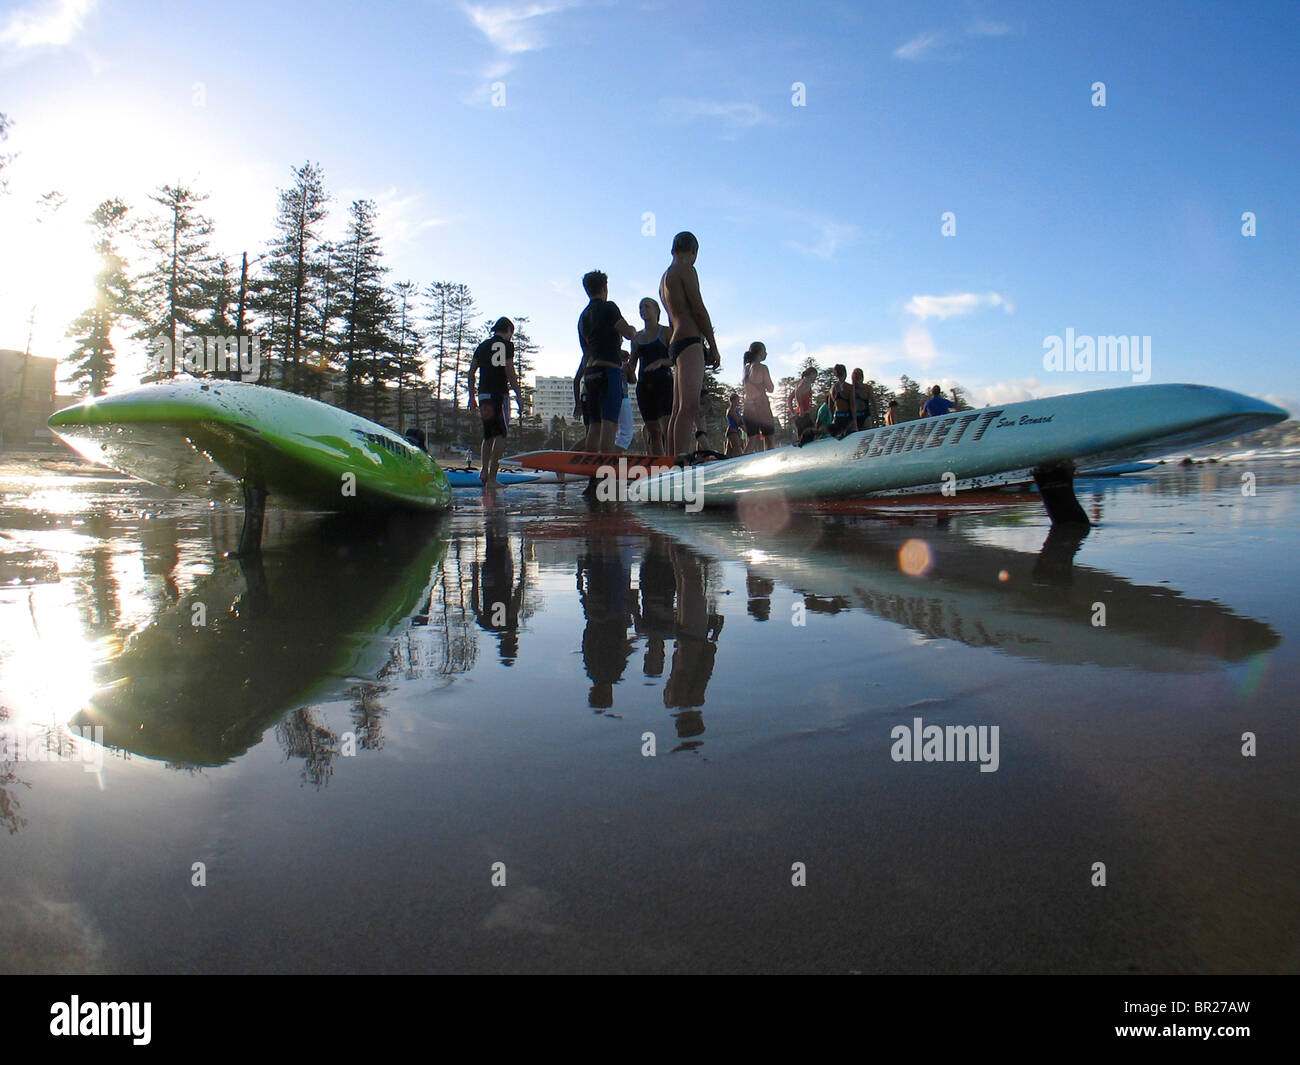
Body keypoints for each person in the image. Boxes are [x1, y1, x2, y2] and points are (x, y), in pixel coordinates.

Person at [659, 232, 721, 454]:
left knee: (678, 409)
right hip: (689, 341)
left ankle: (673, 461)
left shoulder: (664, 279)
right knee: (689, 407)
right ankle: (681, 463)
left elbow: (671, 318)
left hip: (676, 343)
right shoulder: (686, 269)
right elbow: (698, 309)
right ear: (694, 251)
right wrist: (712, 345)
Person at [574, 270, 637, 452]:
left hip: (591, 374)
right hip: (609, 372)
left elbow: (585, 351)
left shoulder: (583, 317)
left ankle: (592, 475)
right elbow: (629, 333)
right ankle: (604, 472)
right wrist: (631, 329)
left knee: (594, 427)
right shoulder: (609, 307)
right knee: (610, 424)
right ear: (604, 287)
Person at [467, 317, 522, 486]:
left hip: (484, 395)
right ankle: (492, 478)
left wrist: (471, 396)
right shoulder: (507, 345)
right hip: (499, 395)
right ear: (508, 330)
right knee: (500, 435)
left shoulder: (482, 346)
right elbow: (509, 371)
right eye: (511, 334)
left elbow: (471, 372)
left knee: (489, 434)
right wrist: (519, 395)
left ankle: (484, 472)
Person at [629, 297, 673, 455]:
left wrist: (661, 361)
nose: (643, 310)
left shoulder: (667, 332)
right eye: (640, 307)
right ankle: (659, 468)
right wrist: (625, 369)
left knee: (667, 427)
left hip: (663, 383)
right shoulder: (636, 338)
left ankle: (674, 462)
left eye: (647, 306)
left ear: (656, 310)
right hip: (644, 386)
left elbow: (675, 359)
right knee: (653, 430)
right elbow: (632, 364)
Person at [741, 342, 776, 453]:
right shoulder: (762, 367)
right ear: (760, 352)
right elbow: (770, 388)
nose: (766, 353)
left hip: (748, 407)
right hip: (761, 406)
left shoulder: (746, 369)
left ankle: (741, 465)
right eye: (765, 351)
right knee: (769, 439)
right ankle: (771, 465)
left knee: (752, 441)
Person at [789, 366, 818, 444]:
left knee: (803, 439)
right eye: (815, 376)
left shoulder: (800, 382)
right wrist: (801, 408)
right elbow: (797, 392)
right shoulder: (806, 381)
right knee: (812, 437)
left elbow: (790, 398)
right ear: (812, 374)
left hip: (799, 416)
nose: (815, 379)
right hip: (804, 415)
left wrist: (793, 412)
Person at [827, 363, 857, 438]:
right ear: (845, 373)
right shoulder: (850, 387)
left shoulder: (832, 389)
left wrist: (832, 420)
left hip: (837, 418)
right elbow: (852, 406)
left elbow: (830, 407)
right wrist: (855, 422)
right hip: (847, 418)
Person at [724, 392, 745, 456]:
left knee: (728, 454)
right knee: (737, 451)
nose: (738, 402)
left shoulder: (736, 410)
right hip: (732, 432)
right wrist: (745, 429)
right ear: (733, 400)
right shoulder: (731, 410)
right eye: (737, 400)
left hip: (736, 432)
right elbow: (738, 422)